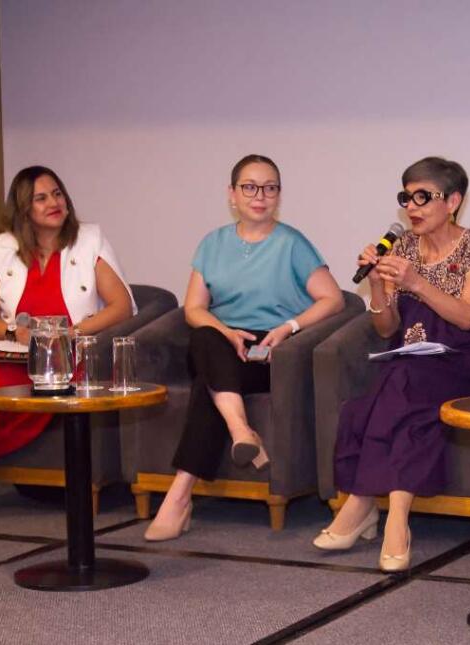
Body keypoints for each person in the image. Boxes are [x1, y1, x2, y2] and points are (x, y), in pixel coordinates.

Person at [312, 156, 470, 571]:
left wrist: (417, 282)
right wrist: (379, 286)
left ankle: (367, 506)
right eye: (406, 197)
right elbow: (386, 328)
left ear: (453, 201)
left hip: (465, 361)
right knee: (386, 391)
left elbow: (468, 316)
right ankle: (393, 515)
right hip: (412, 361)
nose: (412, 207)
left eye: (423, 197)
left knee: (395, 385)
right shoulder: (401, 248)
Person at [144, 154, 345, 541]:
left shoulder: (292, 243)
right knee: (205, 338)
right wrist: (226, 331)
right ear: (232, 194)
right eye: (250, 187)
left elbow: (333, 300)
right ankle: (241, 430)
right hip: (219, 339)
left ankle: (179, 496)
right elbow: (194, 309)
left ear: (278, 195)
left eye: (270, 188)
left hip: (268, 350)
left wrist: (289, 327)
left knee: (209, 384)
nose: (260, 196)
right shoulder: (213, 243)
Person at [0, 166, 136, 516]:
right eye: (41, 198)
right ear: (24, 209)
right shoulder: (1, 248)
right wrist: (15, 334)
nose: (53, 202)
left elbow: (121, 306)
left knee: (40, 392)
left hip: (68, 355)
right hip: (17, 354)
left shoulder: (89, 240)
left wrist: (72, 334)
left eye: (57, 194)